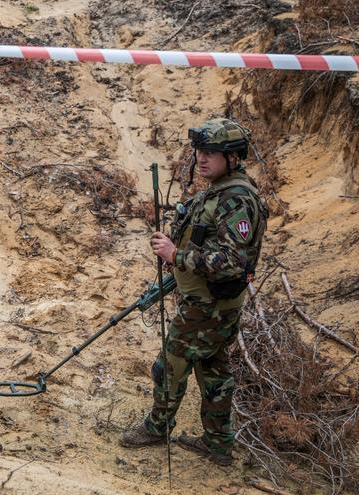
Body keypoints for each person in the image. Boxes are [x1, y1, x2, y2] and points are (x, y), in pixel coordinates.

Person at [119, 118, 268, 466]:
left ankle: (157, 427)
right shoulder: (221, 189)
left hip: (209, 305)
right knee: (213, 371)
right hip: (213, 302)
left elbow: (234, 261)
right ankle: (218, 444)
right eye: (200, 151)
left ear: (232, 157)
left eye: (212, 153)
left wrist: (176, 255)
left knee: (168, 367)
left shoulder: (235, 200)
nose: (202, 159)